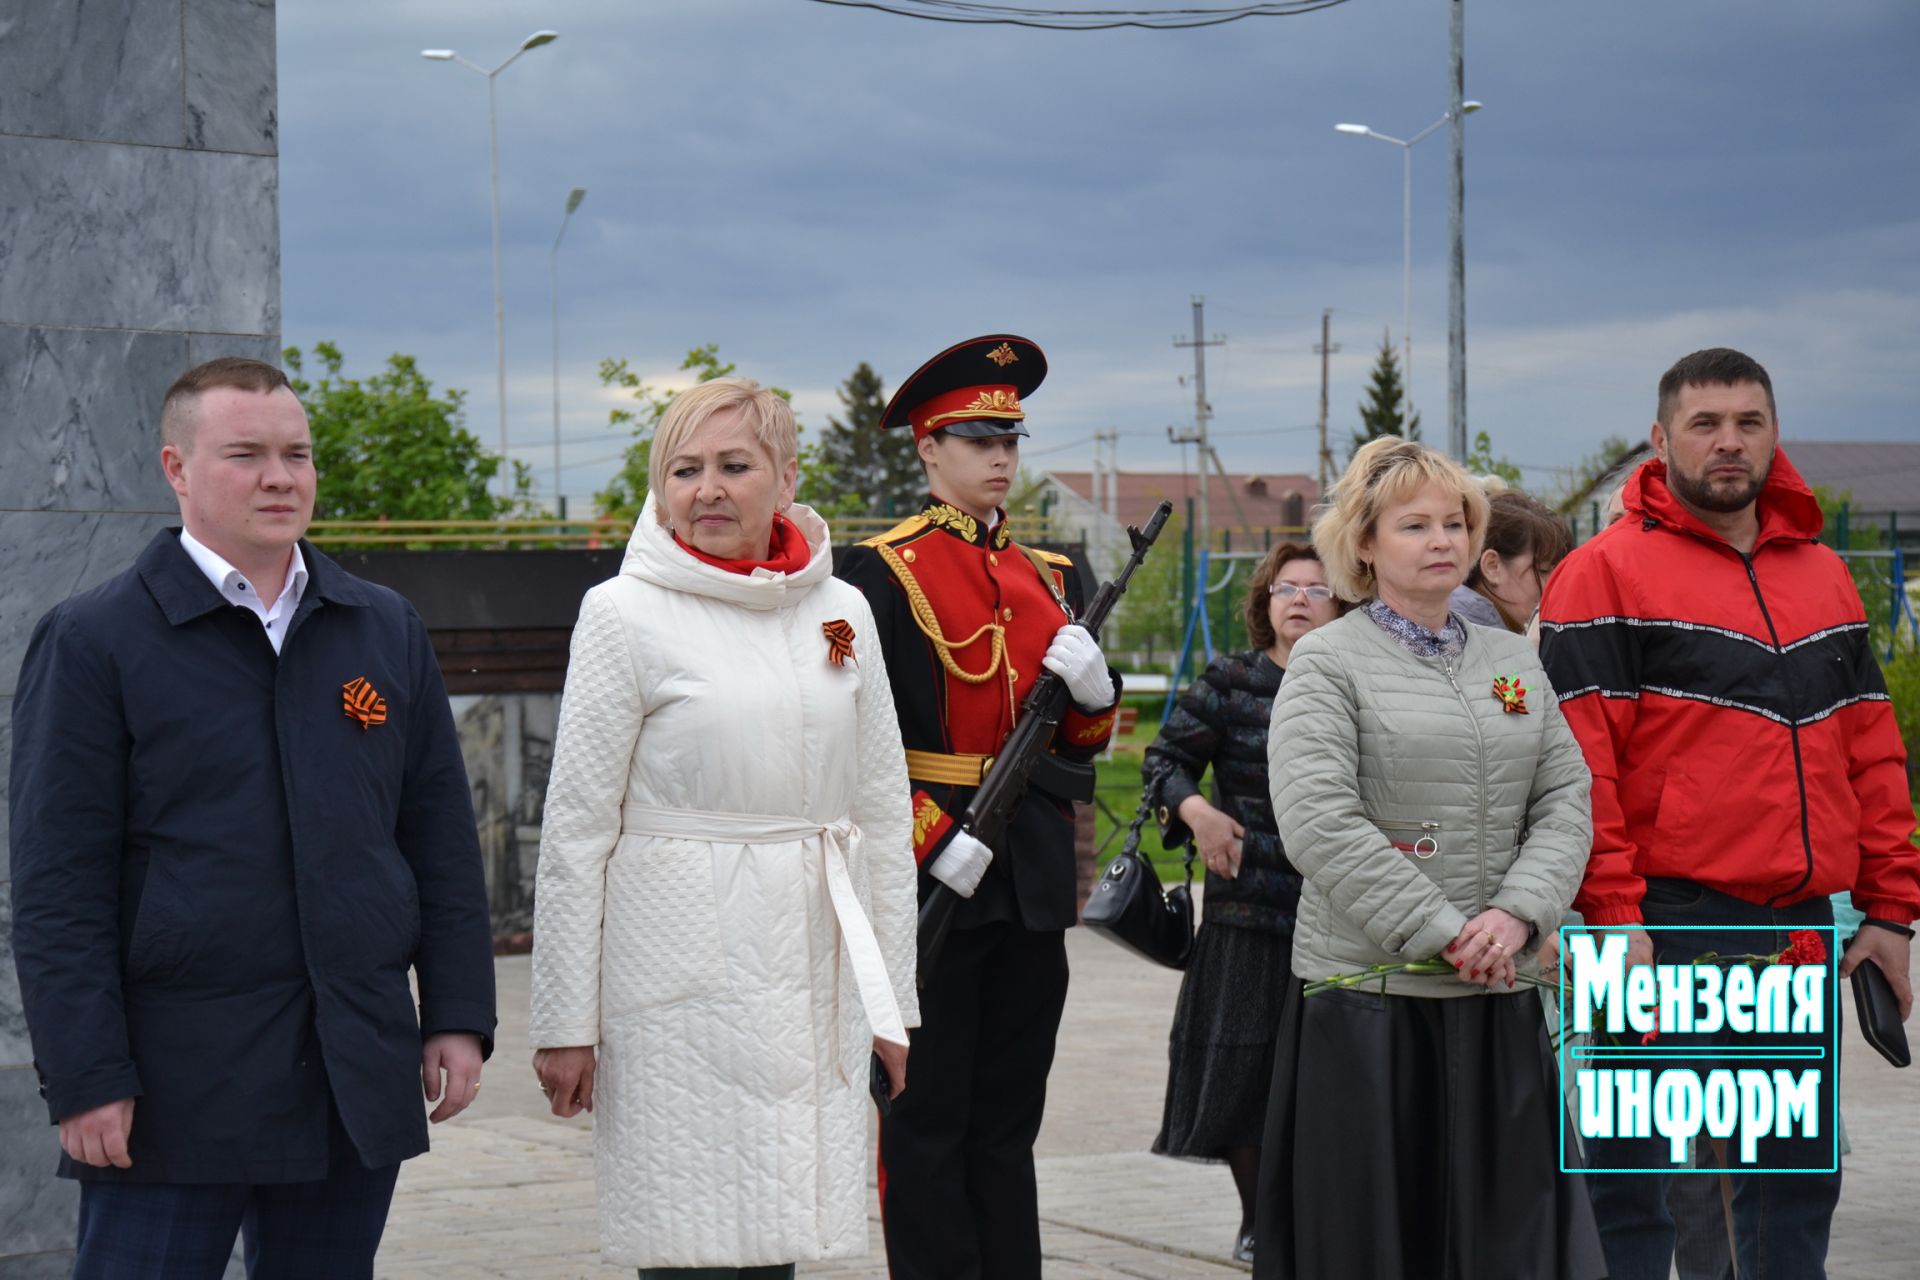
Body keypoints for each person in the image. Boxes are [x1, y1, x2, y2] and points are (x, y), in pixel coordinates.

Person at [8, 357, 496, 1279]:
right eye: (247, 454)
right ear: (176, 468)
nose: (281, 477)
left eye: (297, 454)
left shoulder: (383, 628)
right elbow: (55, 886)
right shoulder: (94, 641)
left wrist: (459, 1013)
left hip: (349, 1073)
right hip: (172, 1089)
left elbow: (438, 838)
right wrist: (87, 1078)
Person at [1538, 347, 1918, 1280]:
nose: (1728, 443)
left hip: (1792, 925)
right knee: (1634, 1196)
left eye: (1748, 422)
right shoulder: (1599, 575)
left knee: (1791, 1195)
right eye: (1705, 425)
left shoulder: (1824, 574)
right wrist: (1614, 919)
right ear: (1661, 439)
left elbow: (1871, 753)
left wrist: (1891, 914)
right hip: (1653, 921)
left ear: (1773, 434)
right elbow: (1579, 771)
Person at [528, 378, 919, 1279]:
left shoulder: (842, 613)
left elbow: (880, 818)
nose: (707, 490)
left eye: (734, 466)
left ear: (786, 479)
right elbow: (575, 834)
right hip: (673, 983)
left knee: (780, 1238)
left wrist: (890, 1004)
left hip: (807, 973)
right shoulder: (622, 614)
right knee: (688, 1241)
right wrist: (564, 1021)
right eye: (684, 470)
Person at [1252, 435, 1606, 1280]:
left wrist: (1516, 916)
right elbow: (1319, 822)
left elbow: (1566, 800)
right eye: (1415, 525)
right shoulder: (1326, 663)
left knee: (1505, 1244)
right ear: (1364, 545)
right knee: (1381, 1246)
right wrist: (1446, 931)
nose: (1443, 541)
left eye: (1456, 522)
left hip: (1498, 993)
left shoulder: (1514, 659)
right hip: (1373, 1004)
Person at [834, 335, 1121, 1280]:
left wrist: (1096, 702)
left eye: (1009, 438)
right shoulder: (876, 572)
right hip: (934, 877)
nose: (1000, 456)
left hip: (1030, 874)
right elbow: (853, 744)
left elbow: (1079, 751)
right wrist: (929, 836)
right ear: (928, 446)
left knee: (1007, 1122)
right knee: (924, 1122)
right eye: (975, 438)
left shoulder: (1054, 576)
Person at [1144, 542, 1344, 1264]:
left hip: (1339, 916)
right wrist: (1196, 812)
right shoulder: (1230, 681)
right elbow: (1163, 763)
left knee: (1324, 1080)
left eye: (1316, 589)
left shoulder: (1359, 682)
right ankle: (1258, 1219)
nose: (1298, 599)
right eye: (1284, 588)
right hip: (1245, 916)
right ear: (1262, 603)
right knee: (1240, 1074)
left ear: (1344, 602)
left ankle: (1311, 1217)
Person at [1448, 488, 1571, 633]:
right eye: (1542, 570)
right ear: (1492, 567)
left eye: (1558, 572)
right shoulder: (1474, 640)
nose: (1554, 584)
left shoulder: (1461, 627)